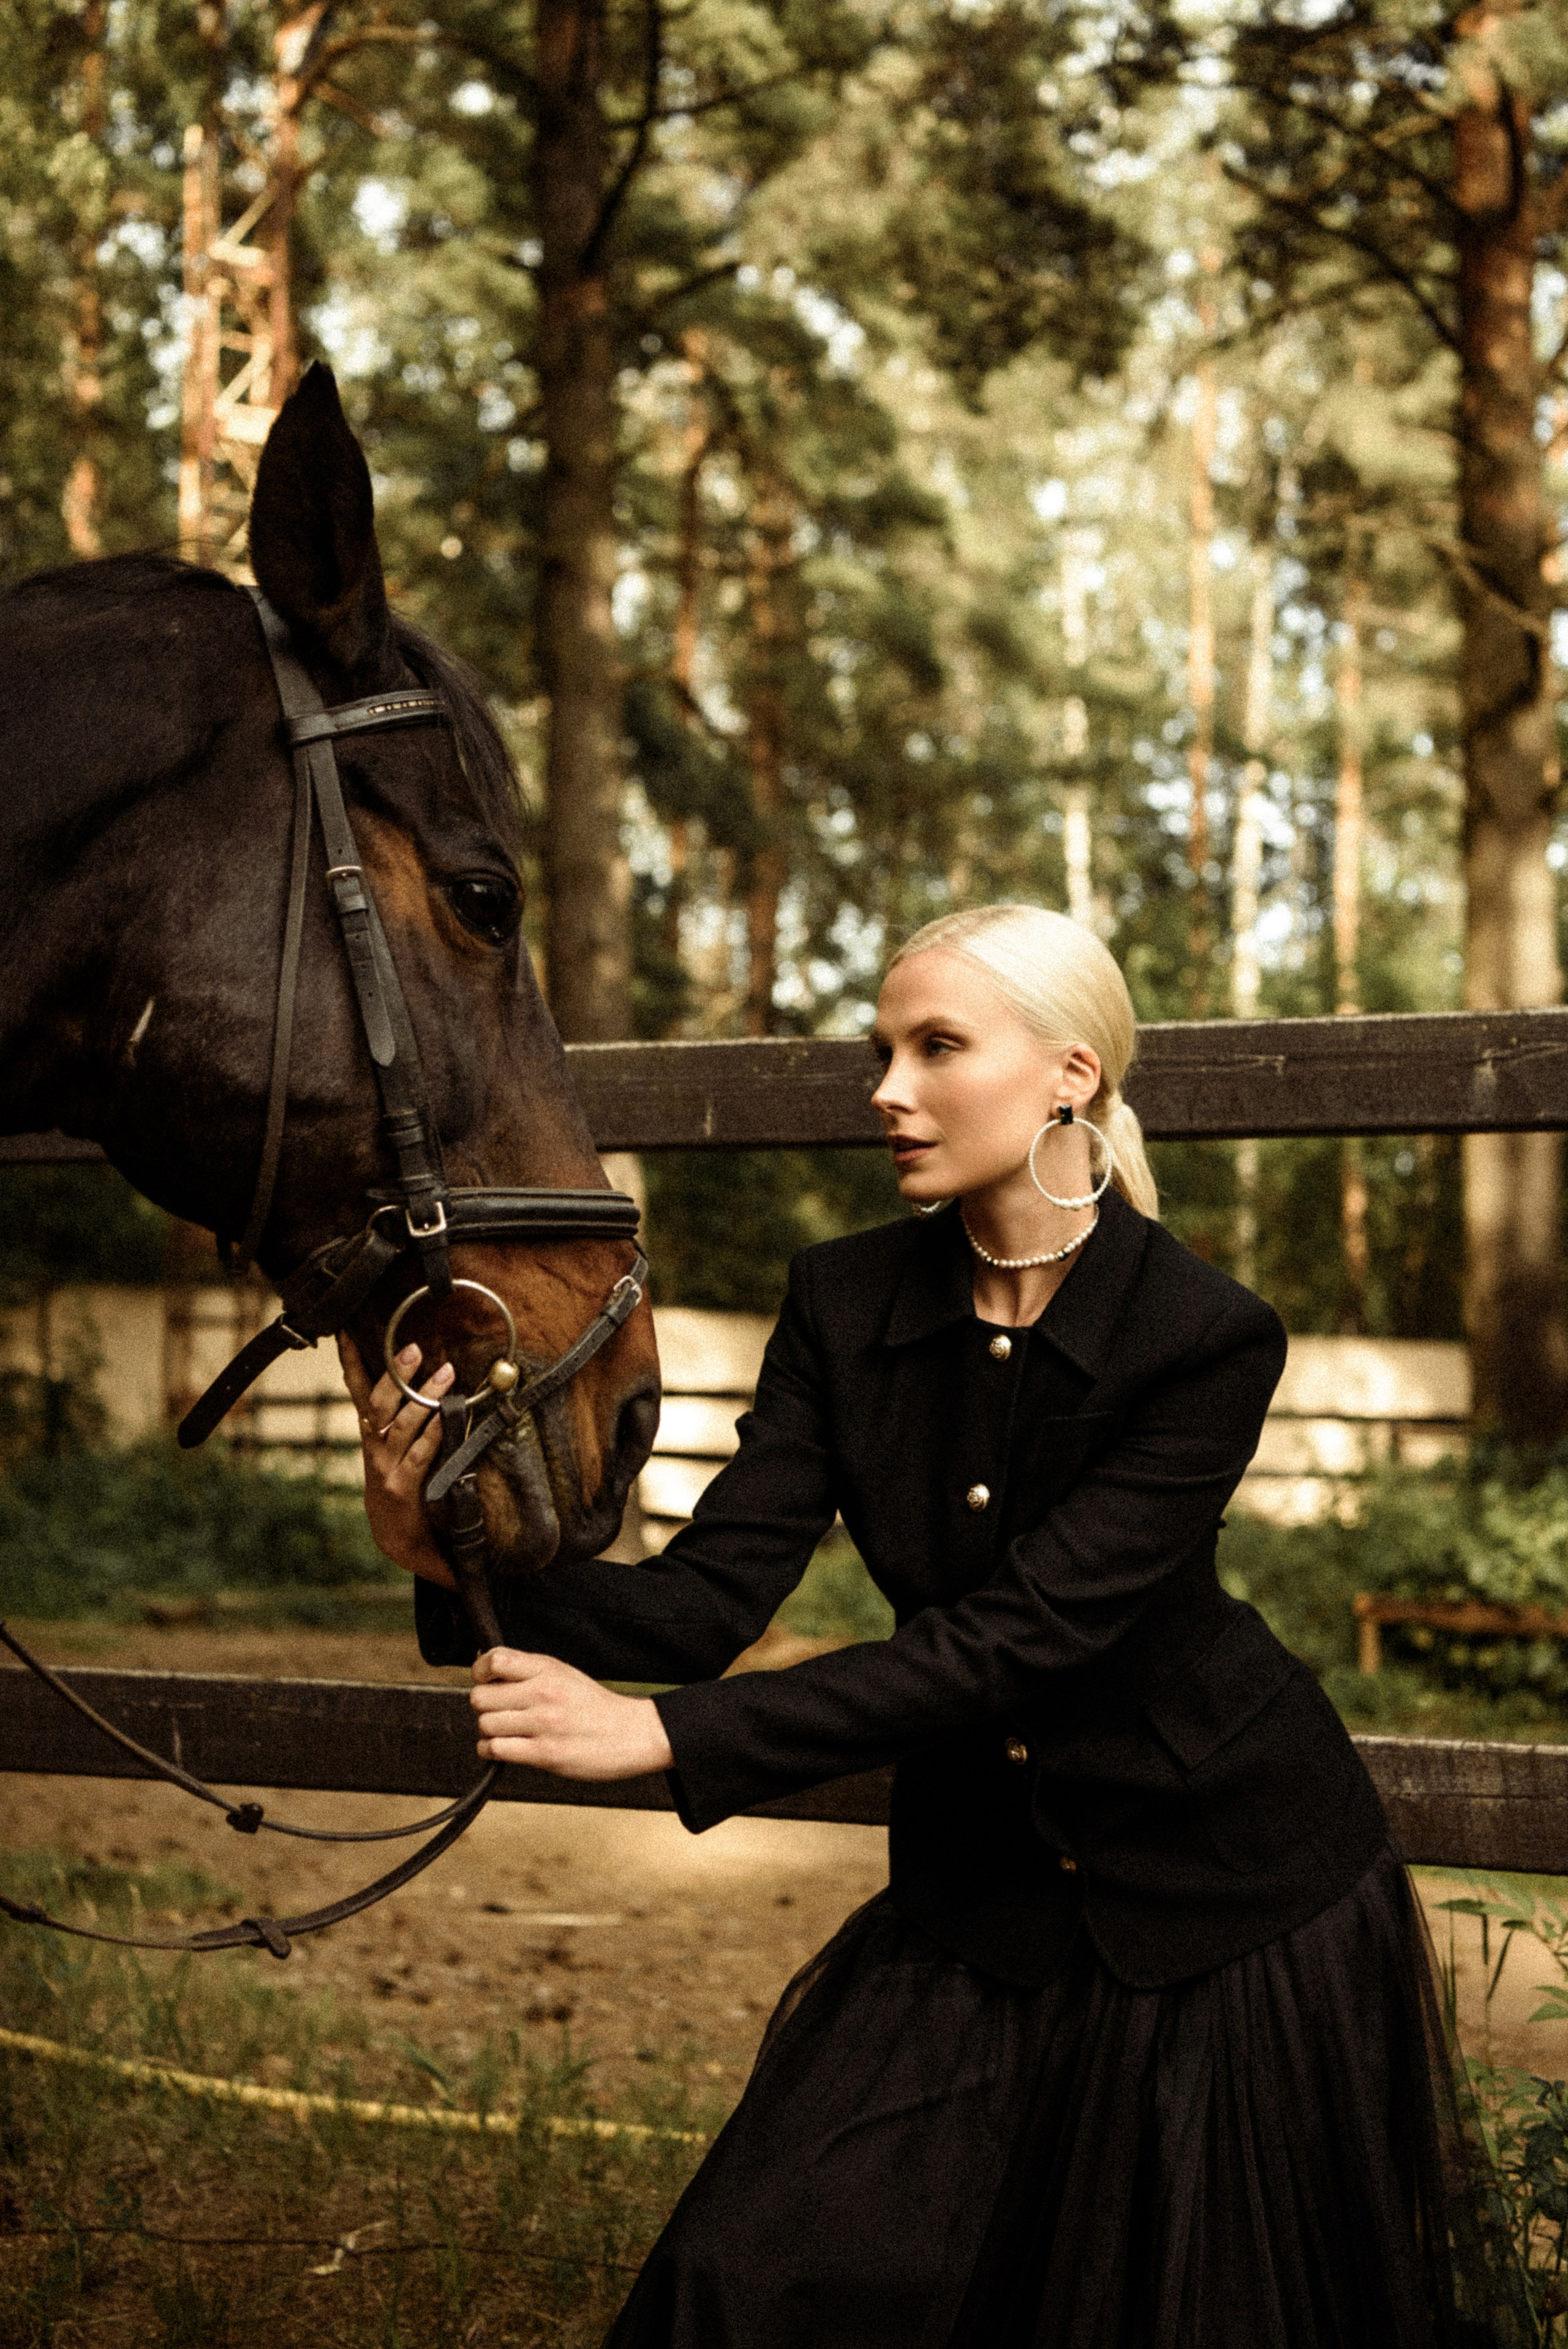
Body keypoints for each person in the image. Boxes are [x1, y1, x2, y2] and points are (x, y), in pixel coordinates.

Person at [341, 905, 1520, 2349]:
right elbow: (703, 1599)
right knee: (746, 2279)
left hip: (1226, 1891)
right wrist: (441, 1553)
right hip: (979, 1891)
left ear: (1068, 1075)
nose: (884, 1090)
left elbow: (1019, 1640)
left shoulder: (1205, 1333)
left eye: (935, 1046)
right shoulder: (842, 1301)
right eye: (882, 1049)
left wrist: (661, 1739)